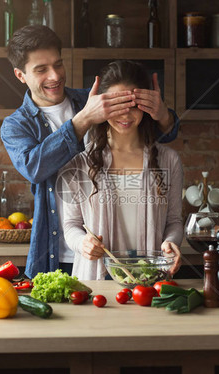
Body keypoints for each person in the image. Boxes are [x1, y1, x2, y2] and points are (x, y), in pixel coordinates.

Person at [1, 25, 179, 279]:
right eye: (41, 69)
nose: (54, 76)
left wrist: (162, 114)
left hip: (112, 252)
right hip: (56, 253)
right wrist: (82, 120)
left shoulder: (95, 97)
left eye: (58, 64)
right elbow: (34, 168)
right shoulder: (16, 125)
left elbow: (158, 135)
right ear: (20, 75)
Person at [60, 60, 183, 280]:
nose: (125, 114)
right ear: (101, 105)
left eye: (133, 104)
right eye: (117, 104)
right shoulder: (79, 163)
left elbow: (174, 221)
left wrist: (171, 243)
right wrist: (82, 243)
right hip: (96, 281)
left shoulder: (169, 160)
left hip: (151, 281)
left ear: (146, 105)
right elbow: (71, 225)